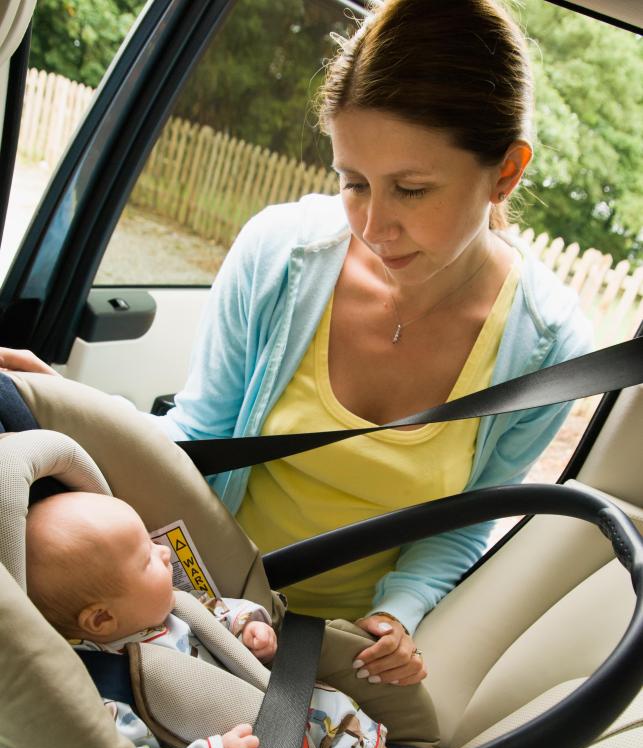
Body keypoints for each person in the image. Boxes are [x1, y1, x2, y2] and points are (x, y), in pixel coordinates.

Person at [2, 0, 591, 688]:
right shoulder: (278, 254)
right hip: (205, 598)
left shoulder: (547, 349)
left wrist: (396, 617)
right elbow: (200, 435)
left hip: (342, 651)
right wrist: (83, 414)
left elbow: (459, 526)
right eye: (352, 182)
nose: (375, 223)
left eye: (410, 189)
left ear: (505, 172)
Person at [25, 489, 460, 748]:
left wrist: (249, 626)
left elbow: (218, 611)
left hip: (274, 714)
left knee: (324, 703)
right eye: (146, 559)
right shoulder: (103, 692)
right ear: (101, 618)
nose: (166, 553)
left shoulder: (171, 610)